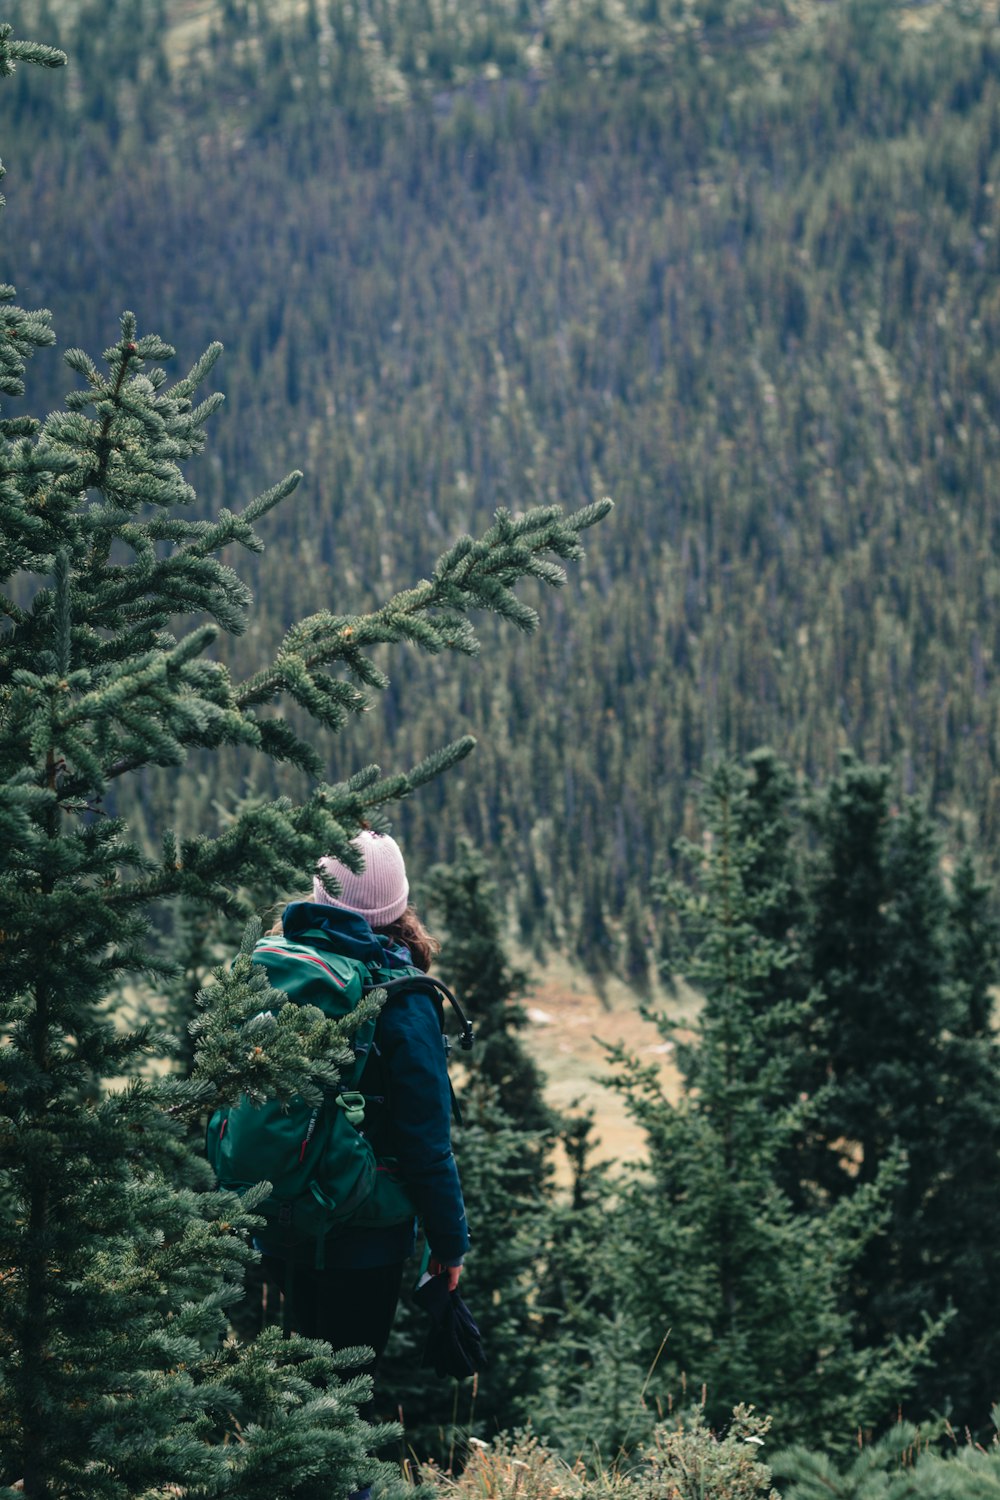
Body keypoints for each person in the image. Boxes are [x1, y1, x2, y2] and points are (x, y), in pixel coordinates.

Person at [257, 830, 469, 1435]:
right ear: (399, 904)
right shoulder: (401, 996)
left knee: (299, 1388)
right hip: (362, 1234)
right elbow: (426, 1144)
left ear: (319, 893)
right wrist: (448, 1245)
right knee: (347, 1401)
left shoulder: (280, 965)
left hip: (275, 1215)